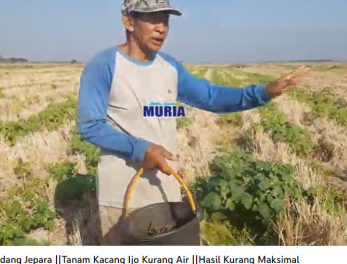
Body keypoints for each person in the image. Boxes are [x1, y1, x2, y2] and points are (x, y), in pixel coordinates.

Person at [77, 0, 310, 245]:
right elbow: (91, 125)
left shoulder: (169, 67)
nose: (161, 28)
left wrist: (264, 92)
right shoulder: (104, 65)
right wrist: (141, 149)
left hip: (165, 187)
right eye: (152, 19)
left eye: (165, 20)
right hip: (123, 193)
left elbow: (211, 96)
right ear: (128, 22)